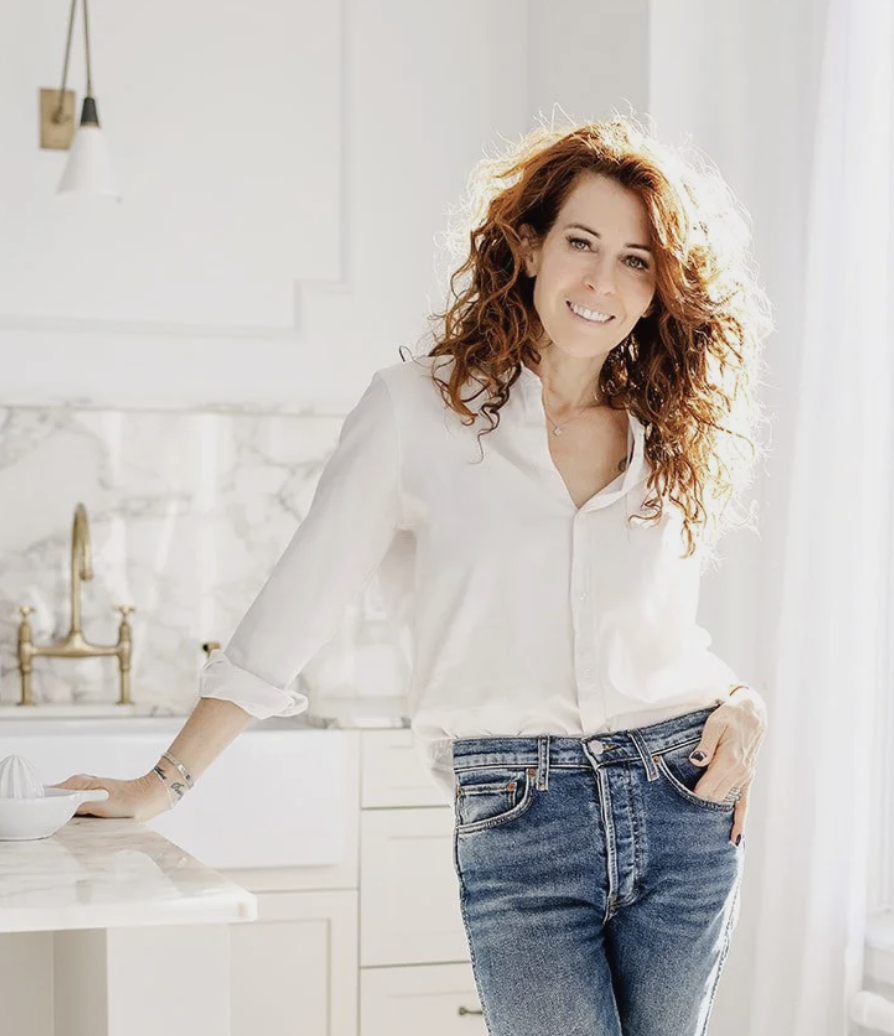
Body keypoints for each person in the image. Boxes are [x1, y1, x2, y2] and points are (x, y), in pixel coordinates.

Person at [57, 115, 771, 1036]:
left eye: (636, 260)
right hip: (521, 815)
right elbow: (293, 610)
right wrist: (163, 783)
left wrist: (744, 699)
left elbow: (661, 638)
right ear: (526, 246)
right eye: (581, 244)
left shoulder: (662, 434)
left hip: (684, 798)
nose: (602, 281)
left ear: (659, 286)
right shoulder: (416, 413)